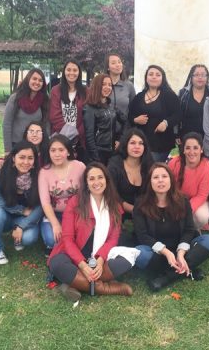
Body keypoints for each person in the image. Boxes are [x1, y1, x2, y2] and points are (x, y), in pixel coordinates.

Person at [48, 162, 137, 301]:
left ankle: (75, 284)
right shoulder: (75, 202)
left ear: (107, 180)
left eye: (100, 177)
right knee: (57, 264)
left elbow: (112, 239)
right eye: (91, 179)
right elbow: (67, 238)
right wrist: (82, 265)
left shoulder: (114, 205)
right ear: (86, 183)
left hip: (98, 256)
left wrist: (101, 260)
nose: (96, 182)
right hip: (73, 255)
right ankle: (105, 288)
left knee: (124, 262)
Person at [133, 163, 209, 291]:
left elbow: (189, 229)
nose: (160, 180)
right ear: (150, 182)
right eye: (156, 177)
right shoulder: (141, 203)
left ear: (170, 179)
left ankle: (166, 277)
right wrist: (165, 252)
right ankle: (189, 268)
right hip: (157, 253)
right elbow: (142, 235)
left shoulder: (182, 200)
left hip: (180, 249)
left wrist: (180, 253)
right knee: (139, 253)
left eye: (164, 176)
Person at [0, 141, 43, 265]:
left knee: (29, 238)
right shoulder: (0, 171)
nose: (26, 162)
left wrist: (21, 226)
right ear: (13, 158)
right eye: (21, 157)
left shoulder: (39, 176)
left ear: (34, 161)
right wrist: (20, 210)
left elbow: (41, 205)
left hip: (24, 219)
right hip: (4, 216)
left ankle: (17, 232)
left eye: (30, 158)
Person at [38, 135, 86, 256]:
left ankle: (65, 247)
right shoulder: (44, 172)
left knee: (82, 236)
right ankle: (54, 243)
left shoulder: (79, 167)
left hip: (76, 213)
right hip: (54, 214)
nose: (57, 154)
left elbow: (86, 193)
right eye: (53, 150)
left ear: (68, 151)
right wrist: (55, 224)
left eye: (61, 150)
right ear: (48, 153)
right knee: (52, 239)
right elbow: (45, 202)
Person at [129, 65, 181, 162]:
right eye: (151, 74)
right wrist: (135, 120)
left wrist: (166, 123)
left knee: (152, 170)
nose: (154, 77)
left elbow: (178, 114)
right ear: (146, 78)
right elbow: (130, 115)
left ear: (162, 78)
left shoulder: (169, 96)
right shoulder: (139, 97)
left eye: (158, 75)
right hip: (141, 143)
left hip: (160, 144)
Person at [168, 132, 209, 230]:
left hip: (197, 200)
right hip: (176, 199)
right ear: (183, 150)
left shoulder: (207, 167)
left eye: (195, 148)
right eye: (188, 148)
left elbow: (202, 196)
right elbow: (168, 189)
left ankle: (194, 229)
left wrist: (185, 210)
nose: (191, 152)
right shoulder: (173, 163)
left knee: (202, 216)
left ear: (201, 149)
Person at [108, 128, 153, 221]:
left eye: (141, 143)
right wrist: (134, 210)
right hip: (118, 214)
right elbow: (111, 195)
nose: (137, 146)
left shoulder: (149, 164)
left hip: (146, 213)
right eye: (133, 143)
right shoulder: (114, 165)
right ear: (125, 145)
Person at [83, 74, 127, 165]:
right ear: (97, 86)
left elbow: (125, 121)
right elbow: (89, 136)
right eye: (104, 84)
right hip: (98, 153)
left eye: (110, 85)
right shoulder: (89, 108)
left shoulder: (111, 106)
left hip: (112, 153)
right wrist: (96, 159)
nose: (107, 87)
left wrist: (119, 139)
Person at [3, 68, 49, 154]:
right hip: (16, 145)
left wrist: (45, 146)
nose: (37, 82)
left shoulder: (45, 100)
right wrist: (8, 150)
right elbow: (7, 124)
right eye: (34, 79)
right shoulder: (15, 98)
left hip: (36, 146)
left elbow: (47, 124)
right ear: (28, 79)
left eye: (40, 80)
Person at [49, 59, 87, 161]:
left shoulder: (86, 91)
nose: (71, 73)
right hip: (59, 138)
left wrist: (77, 133)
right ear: (64, 72)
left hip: (80, 140)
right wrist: (66, 137)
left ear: (79, 73)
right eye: (68, 69)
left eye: (75, 70)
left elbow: (86, 116)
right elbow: (54, 116)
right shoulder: (55, 90)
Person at [178, 64, 209, 140]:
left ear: (207, 77)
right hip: (186, 136)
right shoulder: (183, 93)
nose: (200, 77)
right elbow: (177, 115)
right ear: (191, 77)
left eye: (203, 75)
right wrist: (177, 133)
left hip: (208, 138)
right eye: (196, 75)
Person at [104, 52, 135, 118]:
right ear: (108, 67)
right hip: (104, 126)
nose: (118, 65)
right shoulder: (101, 85)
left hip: (125, 126)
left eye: (119, 62)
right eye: (113, 63)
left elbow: (133, 108)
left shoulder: (129, 85)